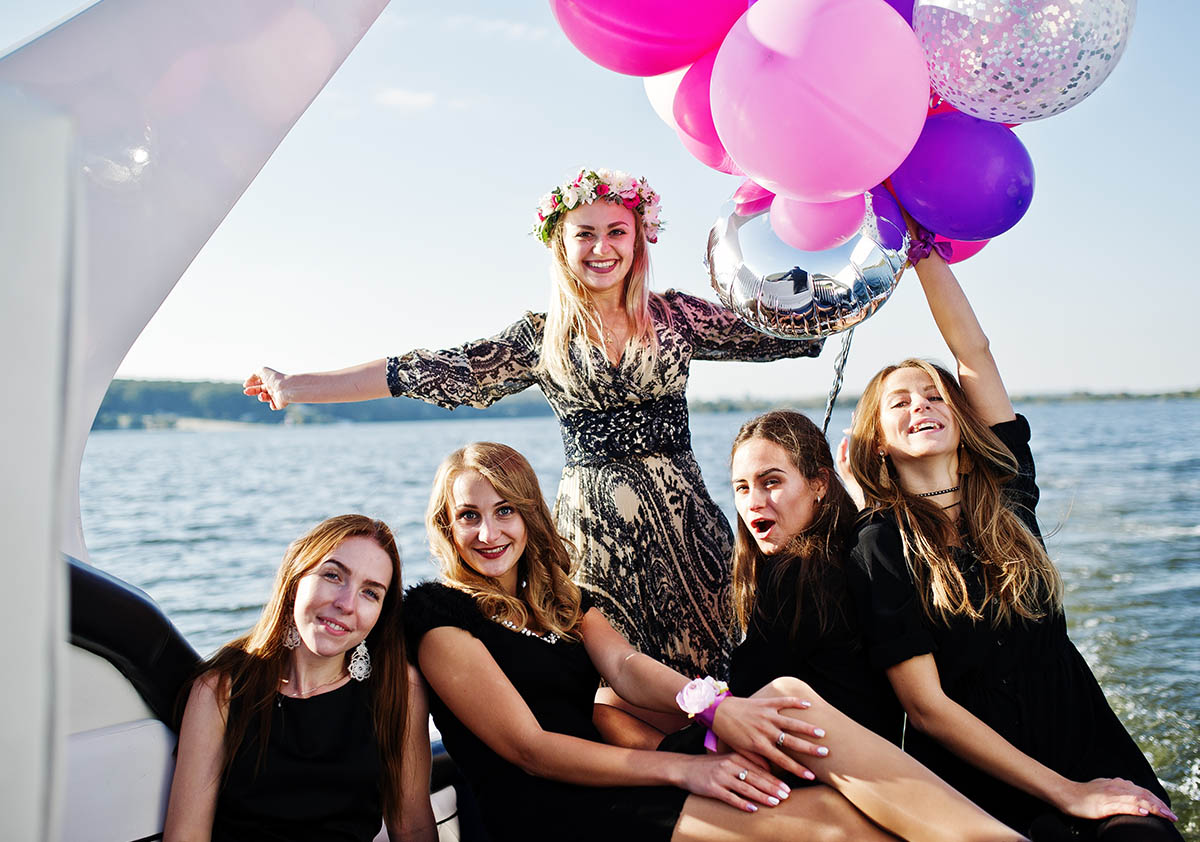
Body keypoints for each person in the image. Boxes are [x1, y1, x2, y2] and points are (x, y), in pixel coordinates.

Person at [243, 168, 823, 679]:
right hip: (595, 536)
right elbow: (430, 370)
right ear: (561, 245)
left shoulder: (676, 316)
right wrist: (296, 387)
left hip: (686, 528)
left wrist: (830, 264)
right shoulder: (540, 337)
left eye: (616, 231)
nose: (601, 247)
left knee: (720, 662)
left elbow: (784, 331)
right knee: (615, 674)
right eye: (584, 234)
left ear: (639, 238)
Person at [405, 440, 1031, 842]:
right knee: (836, 824)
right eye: (469, 516)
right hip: (557, 812)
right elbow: (531, 750)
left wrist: (716, 708)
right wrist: (687, 769)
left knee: (788, 699)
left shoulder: (565, 602)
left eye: (505, 510)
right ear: (446, 526)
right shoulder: (441, 616)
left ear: (529, 515)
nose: (489, 532)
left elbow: (625, 667)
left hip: (622, 779)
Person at [842, 241, 1182, 840]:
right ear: (877, 441)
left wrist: (921, 248)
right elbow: (926, 708)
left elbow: (972, 350)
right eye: (900, 402)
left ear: (962, 418)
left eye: (935, 396)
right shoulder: (879, 545)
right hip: (980, 779)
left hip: (1083, 737)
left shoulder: (1008, 494)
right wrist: (1068, 794)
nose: (922, 405)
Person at [163, 515, 436, 842]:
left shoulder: (398, 688)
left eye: (370, 593)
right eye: (333, 576)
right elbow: (186, 835)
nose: (346, 604)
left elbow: (412, 827)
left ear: (380, 614)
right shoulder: (220, 690)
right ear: (295, 581)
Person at [727, 409, 904, 745]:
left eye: (771, 482)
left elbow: (744, 695)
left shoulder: (794, 573)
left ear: (819, 483)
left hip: (823, 764)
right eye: (742, 488)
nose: (753, 502)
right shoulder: (858, 548)